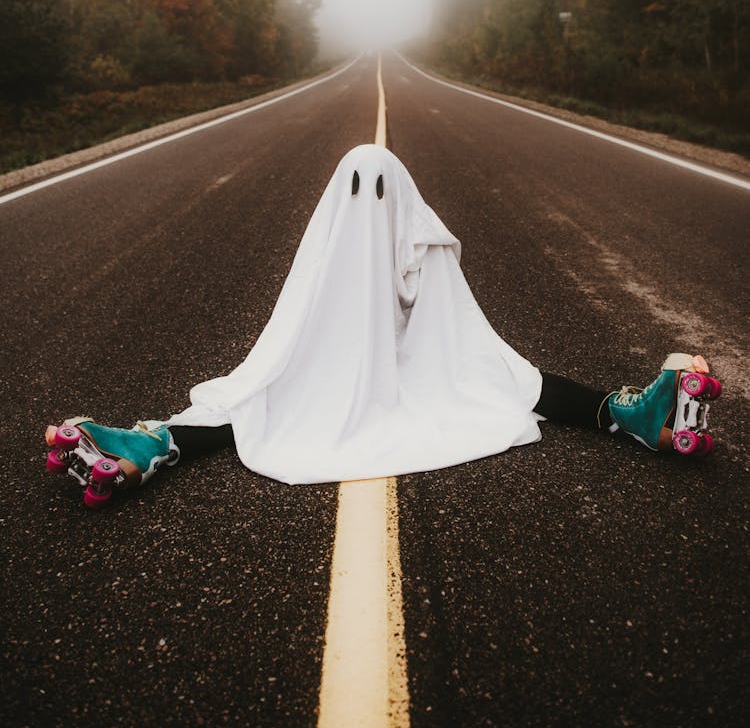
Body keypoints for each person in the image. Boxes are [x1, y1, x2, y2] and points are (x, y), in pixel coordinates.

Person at [44, 145, 720, 507]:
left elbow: (264, 377)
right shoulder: (415, 244)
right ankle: (632, 414)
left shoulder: (324, 262)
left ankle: (144, 450)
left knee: (262, 401)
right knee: (507, 379)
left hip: (328, 385)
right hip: (426, 377)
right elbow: (479, 347)